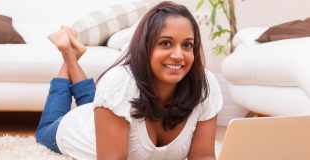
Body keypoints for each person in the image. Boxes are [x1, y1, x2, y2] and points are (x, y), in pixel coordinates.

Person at [36, 1, 223, 160]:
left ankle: (71, 55)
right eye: (165, 43)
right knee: (44, 131)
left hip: (109, 113)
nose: (178, 55)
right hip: (77, 126)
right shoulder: (119, 83)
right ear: (145, 46)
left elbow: (203, 156)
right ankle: (69, 55)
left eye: (187, 45)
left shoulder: (205, 84)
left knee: (99, 101)